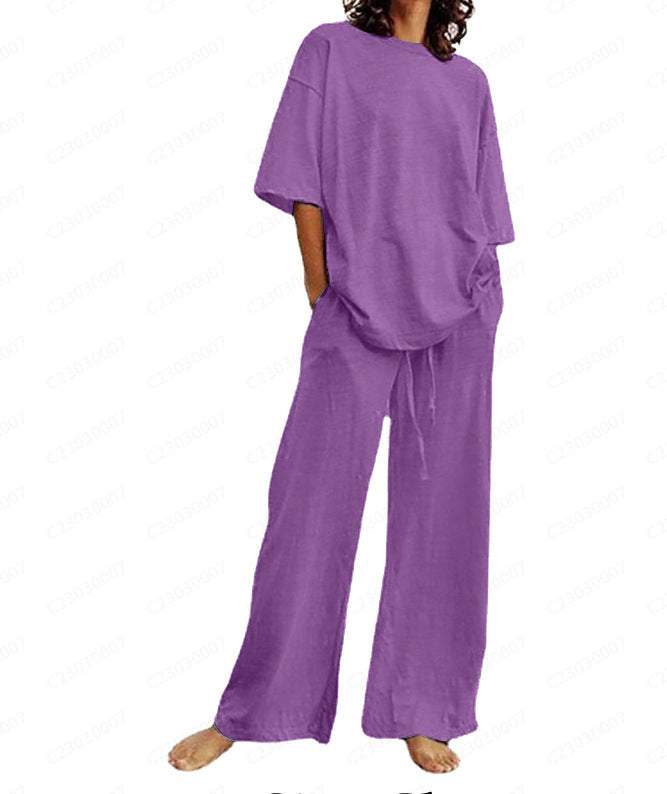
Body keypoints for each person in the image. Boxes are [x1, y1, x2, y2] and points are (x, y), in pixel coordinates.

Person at [169, 0, 514, 775]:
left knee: (445, 512)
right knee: (308, 507)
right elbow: (303, 180)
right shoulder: (328, 51)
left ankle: (422, 709)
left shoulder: (468, 82)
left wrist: (483, 295)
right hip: (353, 303)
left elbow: (483, 206)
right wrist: (320, 284)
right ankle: (255, 709)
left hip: (461, 306)